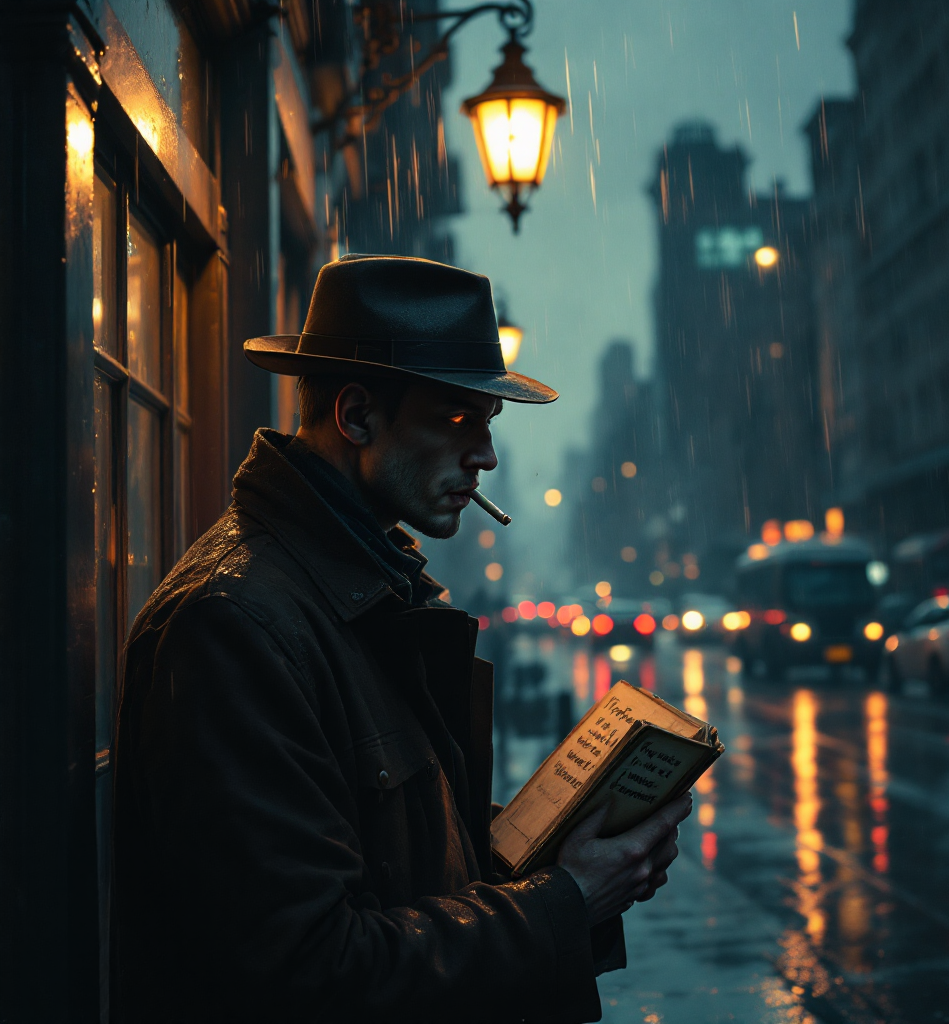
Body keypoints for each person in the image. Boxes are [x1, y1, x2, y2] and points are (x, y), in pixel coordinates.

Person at [112, 255, 692, 1023]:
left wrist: (566, 851)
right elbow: (309, 972)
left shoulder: (353, 591)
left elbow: (401, 860)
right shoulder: (235, 624)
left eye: (489, 424)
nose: (485, 456)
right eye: (458, 418)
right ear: (356, 418)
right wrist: (567, 899)